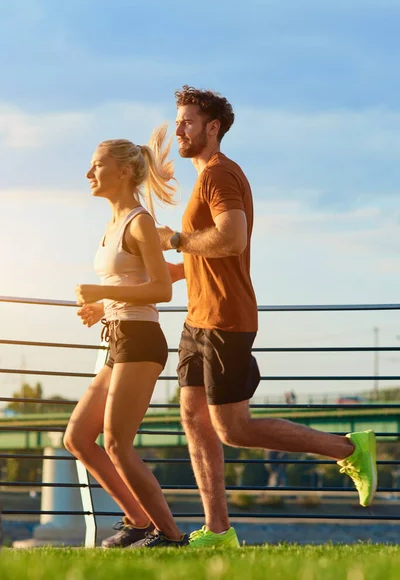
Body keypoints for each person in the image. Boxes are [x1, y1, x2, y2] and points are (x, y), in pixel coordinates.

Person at [158, 86, 378, 548]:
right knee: (194, 421)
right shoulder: (203, 180)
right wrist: (167, 271)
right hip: (196, 319)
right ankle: (218, 532)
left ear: (212, 128)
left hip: (225, 320)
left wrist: (177, 241)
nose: (178, 128)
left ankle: (349, 448)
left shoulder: (221, 174)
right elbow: (206, 254)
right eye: (177, 121)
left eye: (187, 121)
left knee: (232, 430)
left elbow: (231, 240)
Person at [64, 125, 188, 549]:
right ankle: (137, 521)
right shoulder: (114, 223)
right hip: (118, 335)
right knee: (78, 437)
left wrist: (103, 292)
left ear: (122, 172)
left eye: (97, 166)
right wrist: (103, 307)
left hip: (140, 339)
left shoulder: (140, 223)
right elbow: (131, 280)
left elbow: (161, 290)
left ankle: (170, 537)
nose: (88, 174)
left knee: (117, 443)